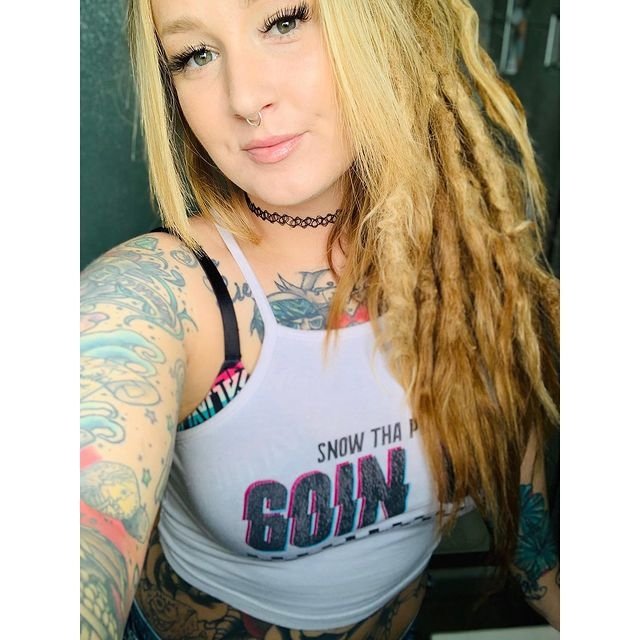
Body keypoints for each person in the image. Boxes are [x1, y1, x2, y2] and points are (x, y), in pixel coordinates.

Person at [80, 0, 560, 638]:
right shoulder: (161, 295)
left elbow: (532, 538)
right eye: (195, 55)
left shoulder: (473, 258)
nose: (245, 98)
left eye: (284, 21)